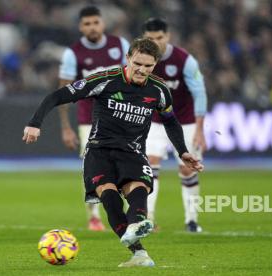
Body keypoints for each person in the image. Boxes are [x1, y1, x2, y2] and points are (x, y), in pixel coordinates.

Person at [23, 38, 204, 267]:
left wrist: (183, 152)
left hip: (133, 151)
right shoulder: (105, 80)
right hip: (99, 151)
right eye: (137, 63)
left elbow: (170, 121)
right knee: (109, 198)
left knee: (138, 186)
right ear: (128, 58)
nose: (142, 69)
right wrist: (34, 122)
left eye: (148, 66)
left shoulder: (159, 89)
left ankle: (138, 222)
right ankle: (139, 253)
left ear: (155, 64)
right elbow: (57, 96)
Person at [57, 6, 130, 232]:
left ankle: (129, 212)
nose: (92, 27)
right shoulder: (73, 53)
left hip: (120, 115)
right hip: (89, 118)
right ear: (81, 27)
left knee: (126, 163)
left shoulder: (121, 46)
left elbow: (134, 79)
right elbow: (64, 93)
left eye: (95, 22)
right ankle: (94, 217)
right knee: (93, 167)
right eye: (87, 24)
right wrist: (66, 128)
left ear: (103, 24)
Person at [142, 18, 207, 233]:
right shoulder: (142, 59)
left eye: (159, 37)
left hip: (185, 121)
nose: (155, 42)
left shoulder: (184, 60)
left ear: (167, 36)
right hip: (156, 121)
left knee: (187, 170)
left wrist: (200, 129)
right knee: (149, 166)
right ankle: (148, 218)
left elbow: (200, 93)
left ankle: (192, 220)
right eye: (150, 38)